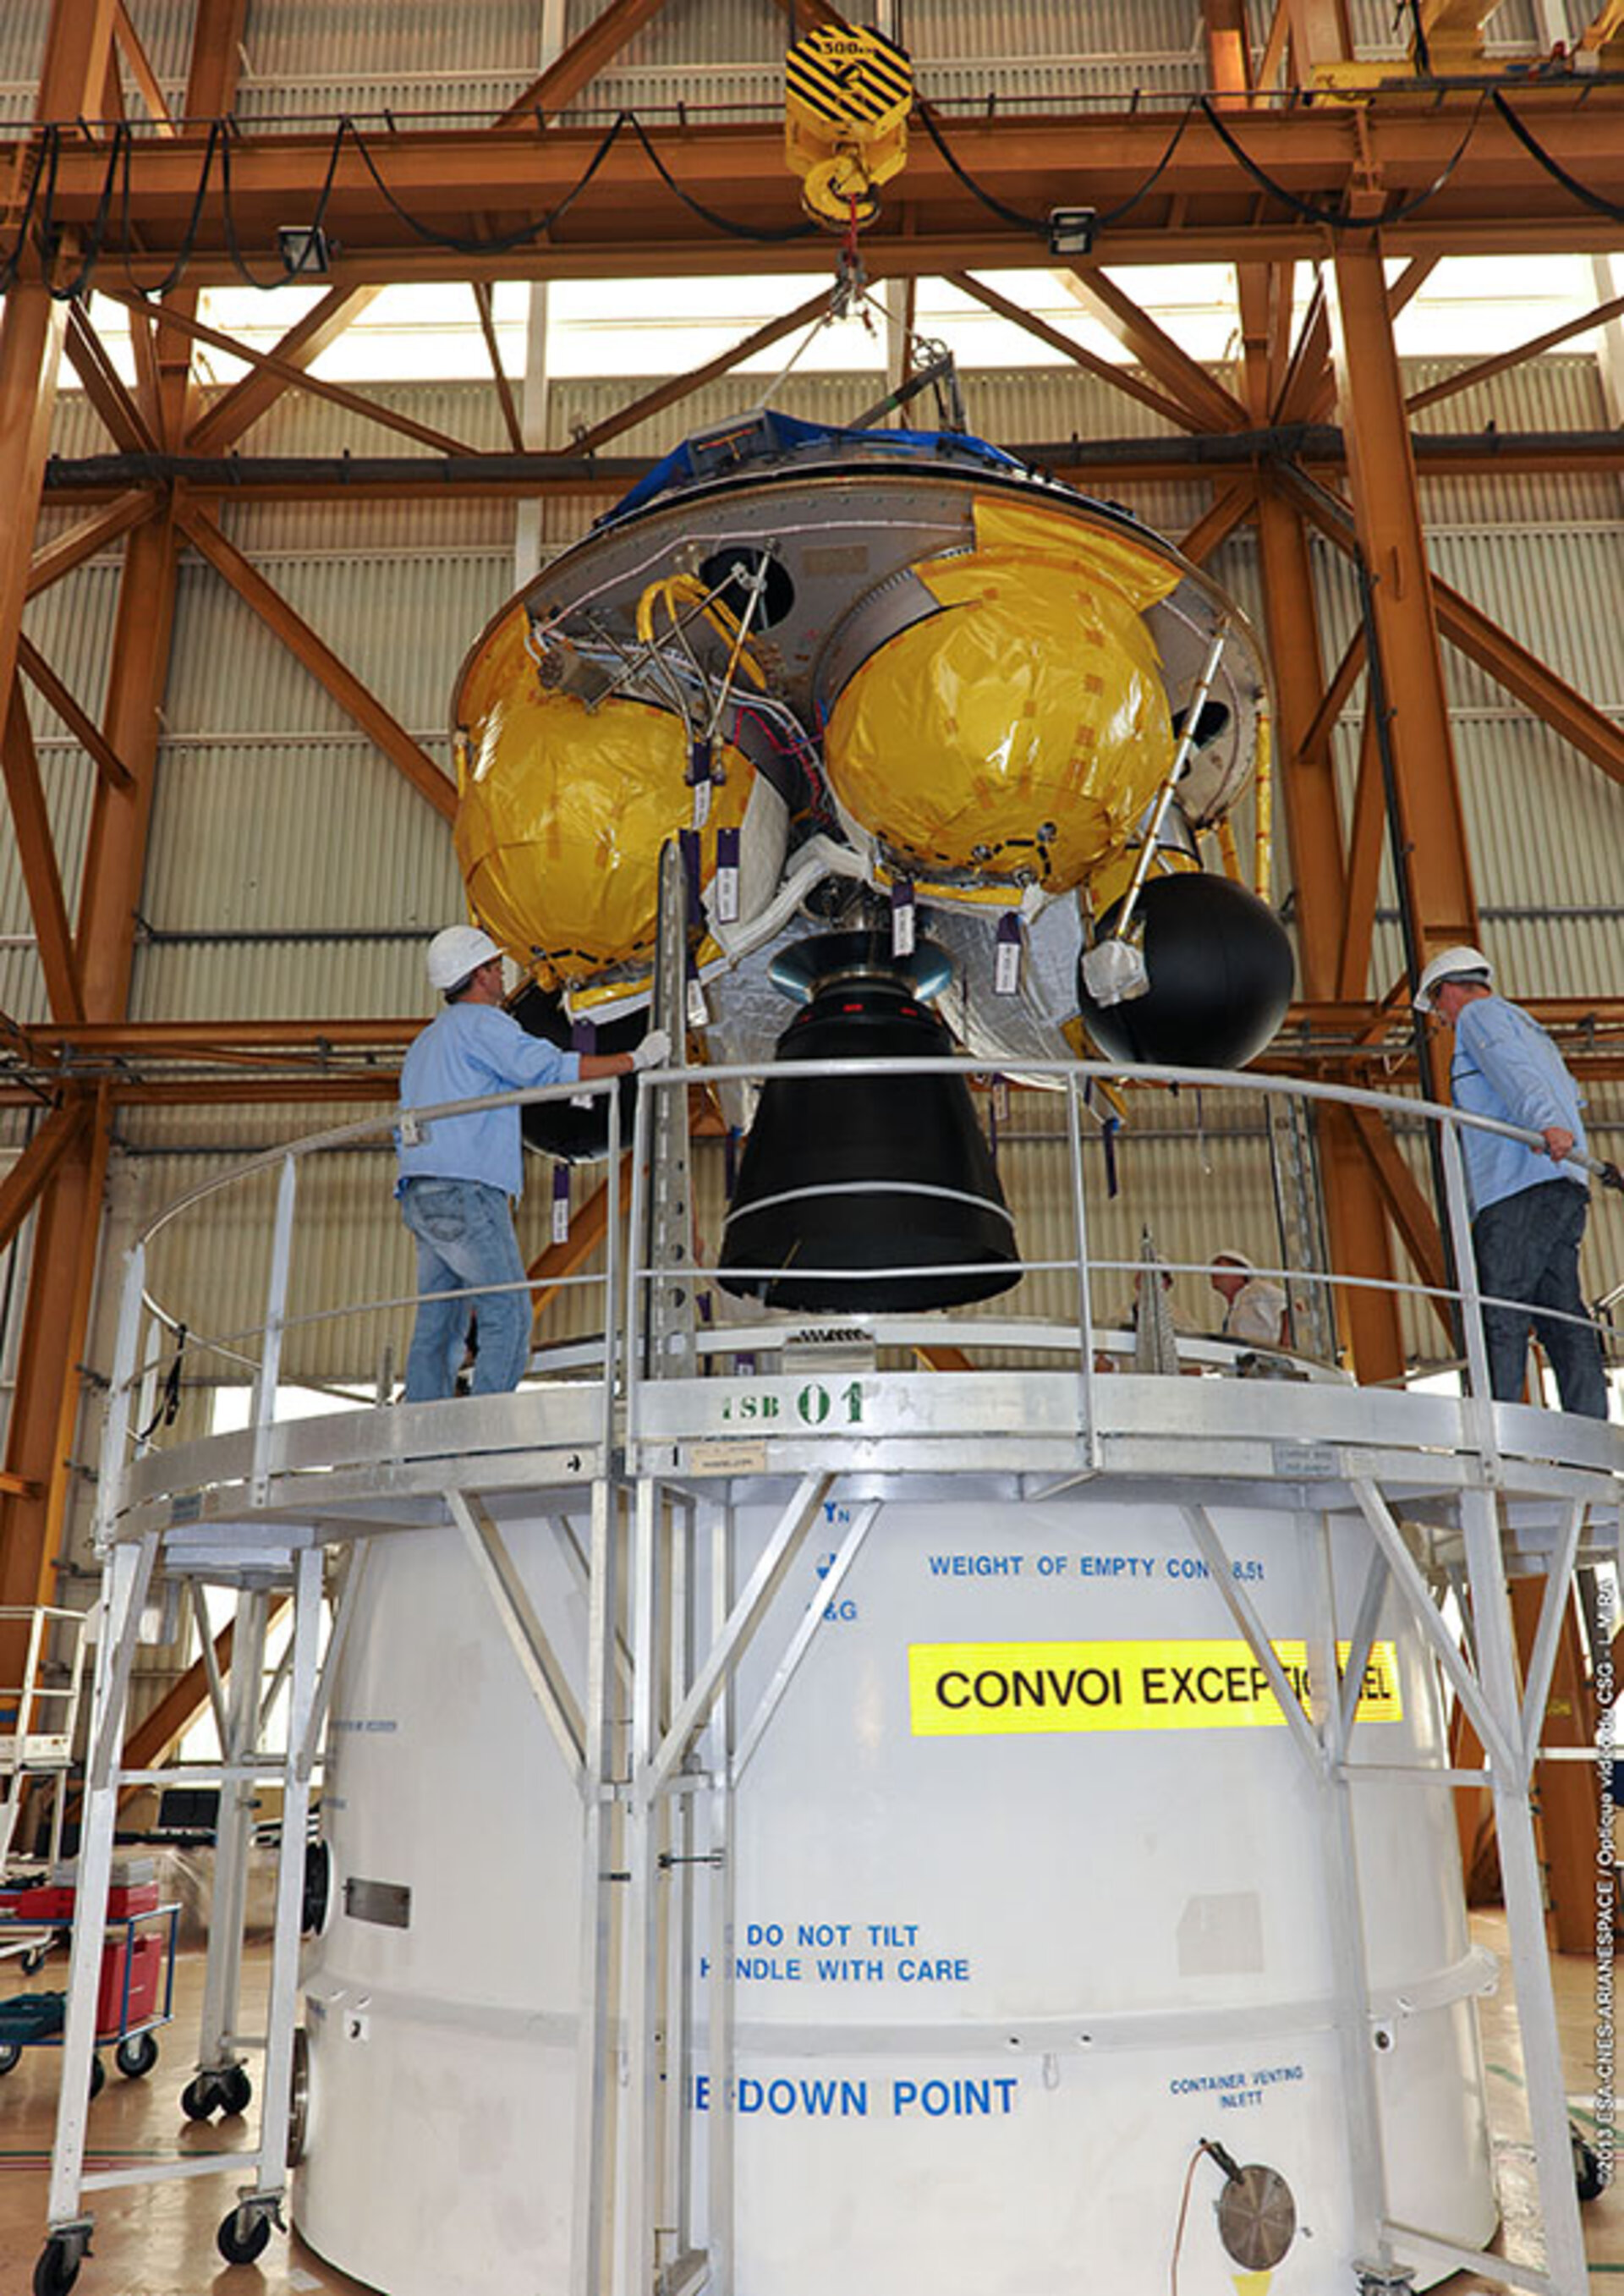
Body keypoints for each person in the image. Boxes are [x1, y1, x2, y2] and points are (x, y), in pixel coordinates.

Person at [397, 925, 670, 1402]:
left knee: (440, 1323)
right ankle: (484, 1433)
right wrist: (635, 1059)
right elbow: (549, 1069)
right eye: (495, 965)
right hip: (468, 1191)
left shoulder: (425, 1043)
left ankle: (420, 1438)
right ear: (479, 976)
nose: (502, 973)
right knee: (509, 1312)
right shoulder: (486, 1025)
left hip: (421, 1192)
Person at [1414, 944, 1608, 1419]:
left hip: (1516, 1185)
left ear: (1449, 991)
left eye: (1438, 1005)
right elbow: (1556, 1089)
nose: (1440, 1018)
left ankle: (1497, 1428)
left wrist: (1545, 1125)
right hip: (1561, 1184)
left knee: (1499, 1307)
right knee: (1561, 1312)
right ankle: (1589, 1427)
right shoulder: (1527, 1025)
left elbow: (1514, 1075)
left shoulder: (1479, 1018)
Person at [1209, 1250, 1288, 1348]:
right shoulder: (1233, 1311)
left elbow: (1291, 1308)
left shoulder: (1257, 1290)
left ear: (1240, 1272)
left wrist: (1284, 1348)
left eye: (1219, 1265)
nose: (1213, 1272)